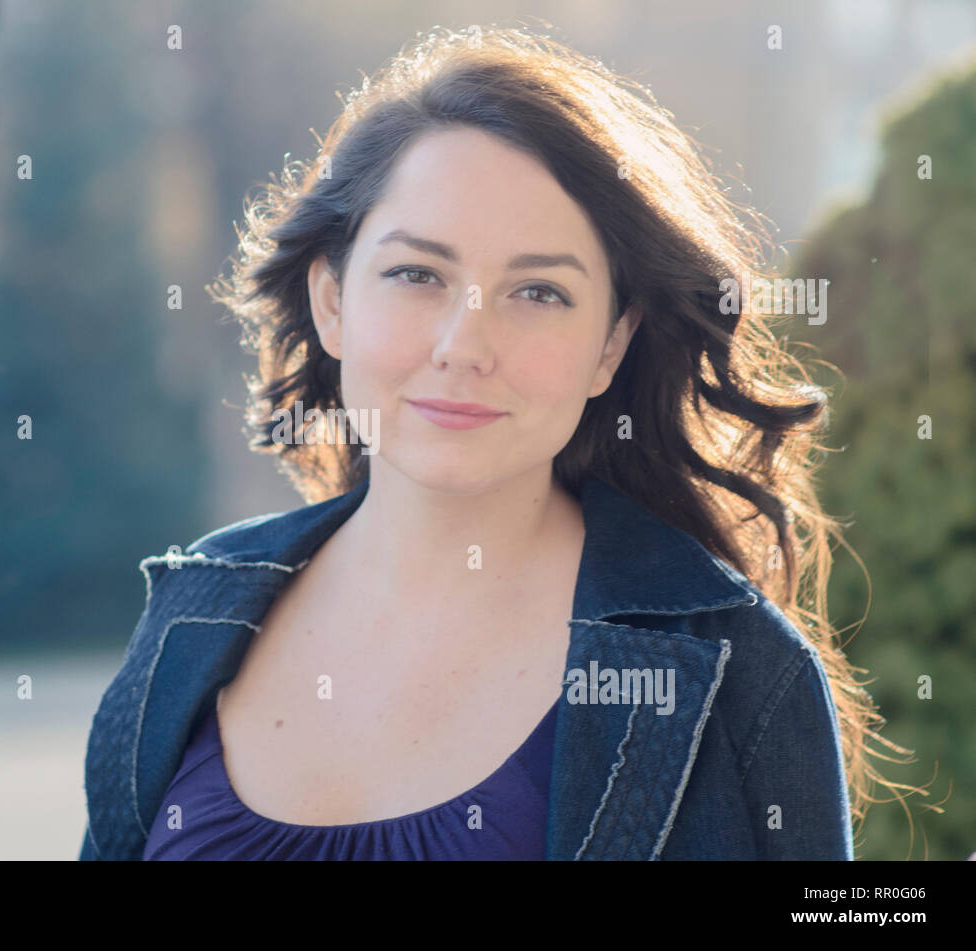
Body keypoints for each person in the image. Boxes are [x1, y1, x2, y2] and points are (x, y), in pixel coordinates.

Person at [82, 24, 892, 860]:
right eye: (417, 274)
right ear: (331, 300)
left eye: (538, 291)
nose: (464, 344)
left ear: (610, 344)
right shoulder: (194, 613)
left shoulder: (736, 669)